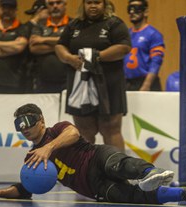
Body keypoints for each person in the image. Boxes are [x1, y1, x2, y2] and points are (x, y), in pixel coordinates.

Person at [0, 103, 186, 206]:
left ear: (41, 120)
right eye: (19, 125)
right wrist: (0, 193)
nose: (24, 128)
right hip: (92, 187)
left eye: (28, 122)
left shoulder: (57, 129)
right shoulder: (32, 158)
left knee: (119, 163)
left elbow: (74, 134)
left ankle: (152, 173)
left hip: (96, 158)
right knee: (133, 197)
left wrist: (48, 147)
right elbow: (26, 188)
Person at [55, 0, 131, 151]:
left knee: (110, 129)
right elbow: (60, 45)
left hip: (109, 86)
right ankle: (86, 170)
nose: (93, 6)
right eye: (89, 2)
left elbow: (124, 47)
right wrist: (69, 58)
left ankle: (117, 171)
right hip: (79, 86)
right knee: (84, 132)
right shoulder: (74, 25)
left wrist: (96, 56)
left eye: (97, 2)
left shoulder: (114, 23)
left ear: (105, 4)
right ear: (83, 5)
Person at [29, 0, 71, 93]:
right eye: (51, 4)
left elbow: (72, 42)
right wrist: (61, 46)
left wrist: (44, 39)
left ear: (65, 4)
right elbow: (34, 48)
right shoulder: (39, 25)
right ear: (47, 6)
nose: (55, 6)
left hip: (67, 79)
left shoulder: (73, 23)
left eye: (58, 2)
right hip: (43, 81)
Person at [124, 0, 165, 91]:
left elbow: (156, 61)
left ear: (145, 12)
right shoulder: (126, 34)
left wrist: (147, 84)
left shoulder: (153, 34)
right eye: (129, 9)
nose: (132, 12)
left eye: (136, 9)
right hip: (128, 83)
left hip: (146, 83)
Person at [23, 0, 49, 93]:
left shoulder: (44, 27)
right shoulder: (27, 27)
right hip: (28, 72)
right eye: (48, 10)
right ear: (41, 10)